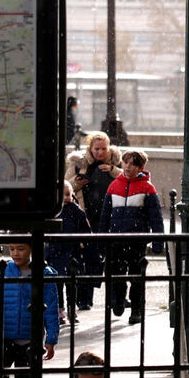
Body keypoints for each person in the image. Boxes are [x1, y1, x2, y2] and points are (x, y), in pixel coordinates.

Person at [0, 243, 60, 378]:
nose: (15, 253)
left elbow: (51, 310)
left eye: (21, 249)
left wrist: (51, 339)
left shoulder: (45, 274)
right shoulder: (3, 271)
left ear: (32, 249)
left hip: (31, 340)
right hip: (5, 337)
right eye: (12, 249)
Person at [98, 149, 165, 325]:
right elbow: (105, 216)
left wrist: (158, 242)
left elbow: (156, 218)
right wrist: (101, 238)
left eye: (132, 163)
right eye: (125, 162)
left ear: (140, 167)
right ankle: (118, 300)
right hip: (116, 240)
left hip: (136, 241)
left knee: (136, 277)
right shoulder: (114, 186)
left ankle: (136, 310)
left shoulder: (147, 188)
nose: (127, 166)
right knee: (116, 275)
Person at [64, 131, 121, 308]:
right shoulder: (79, 164)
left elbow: (127, 179)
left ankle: (115, 298)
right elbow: (65, 187)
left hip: (107, 217)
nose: (100, 152)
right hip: (84, 216)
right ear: (90, 148)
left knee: (107, 259)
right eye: (97, 149)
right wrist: (77, 182)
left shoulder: (115, 163)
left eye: (104, 148)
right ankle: (84, 300)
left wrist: (113, 170)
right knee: (83, 259)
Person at [46, 180, 96, 321]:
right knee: (57, 284)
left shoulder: (76, 211)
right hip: (56, 252)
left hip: (71, 252)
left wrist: (83, 242)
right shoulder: (52, 212)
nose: (66, 198)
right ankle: (59, 309)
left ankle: (71, 309)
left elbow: (86, 230)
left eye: (68, 194)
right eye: (62, 195)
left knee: (71, 284)